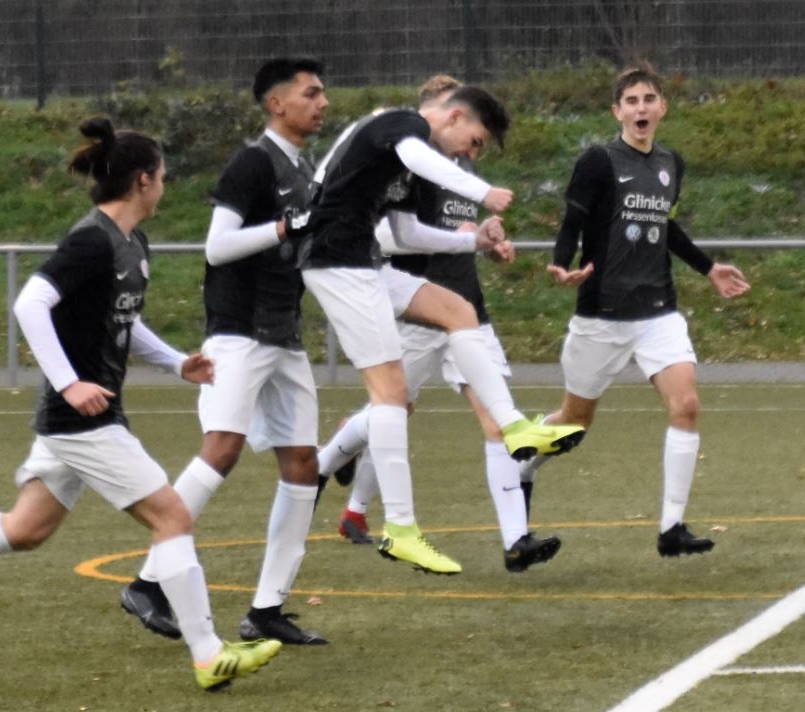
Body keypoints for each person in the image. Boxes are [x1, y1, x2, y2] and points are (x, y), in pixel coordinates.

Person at [0, 117, 282, 692]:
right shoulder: (91, 240)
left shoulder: (133, 243)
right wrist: (68, 383)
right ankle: (208, 654)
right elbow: (30, 304)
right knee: (173, 517)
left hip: (82, 417)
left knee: (25, 529)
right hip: (84, 419)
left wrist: (176, 362)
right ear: (143, 180)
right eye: (162, 176)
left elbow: (123, 319)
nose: (165, 186)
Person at [298, 83, 586, 574]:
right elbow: (416, 157)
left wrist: (474, 242)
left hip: (364, 266)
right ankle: (397, 527)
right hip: (333, 264)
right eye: (474, 142)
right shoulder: (403, 125)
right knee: (391, 398)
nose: (470, 155)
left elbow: (407, 234)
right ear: (454, 117)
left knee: (458, 311)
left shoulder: (412, 167)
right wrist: (482, 192)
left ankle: (514, 427)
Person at [120, 58, 330, 646]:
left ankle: (267, 609)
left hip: (284, 333)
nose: (322, 103)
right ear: (276, 104)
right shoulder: (252, 162)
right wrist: (285, 229)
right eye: (311, 93)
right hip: (239, 330)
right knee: (222, 448)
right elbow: (217, 248)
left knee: (303, 465)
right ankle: (147, 582)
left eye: (323, 94)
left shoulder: (304, 168)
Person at [521, 64, 750, 557]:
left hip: (658, 311)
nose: (641, 108)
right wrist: (562, 264)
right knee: (574, 422)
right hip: (601, 315)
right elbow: (572, 222)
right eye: (631, 101)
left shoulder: (671, 163)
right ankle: (521, 467)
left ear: (662, 107)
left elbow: (667, 228)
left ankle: (672, 529)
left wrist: (708, 268)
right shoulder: (599, 161)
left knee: (686, 405)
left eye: (649, 99)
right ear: (617, 111)